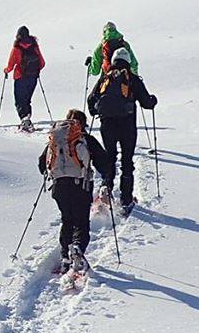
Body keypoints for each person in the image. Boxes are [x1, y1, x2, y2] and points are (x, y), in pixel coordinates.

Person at [86, 46, 157, 210]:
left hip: (107, 124)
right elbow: (147, 103)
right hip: (127, 126)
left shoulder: (106, 78)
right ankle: (126, 199)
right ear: (128, 61)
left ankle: (106, 190)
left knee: (109, 158)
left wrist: (99, 110)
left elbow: (91, 102)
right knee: (126, 161)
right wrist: (153, 100)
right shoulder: (132, 78)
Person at [37, 109, 106, 270]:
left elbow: (42, 164)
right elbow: (103, 163)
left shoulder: (55, 140)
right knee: (81, 220)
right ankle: (77, 247)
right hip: (80, 185)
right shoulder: (86, 139)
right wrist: (106, 177)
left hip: (59, 187)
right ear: (83, 124)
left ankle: (64, 256)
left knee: (67, 219)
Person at [3, 26, 46, 131]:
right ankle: (27, 118)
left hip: (20, 77)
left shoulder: (17, 47)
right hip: (33, 77)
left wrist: (6, 70)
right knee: (27, 100)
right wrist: (36, 70)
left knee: (19, 100)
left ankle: (24, 119)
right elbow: (42, 62)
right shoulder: (34, 45)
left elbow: (11, 64)